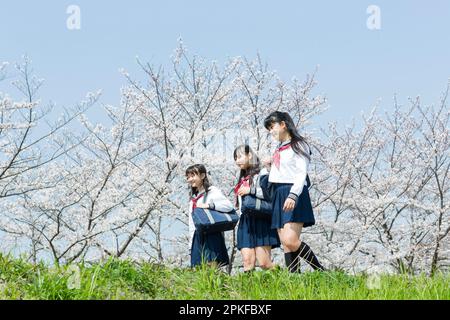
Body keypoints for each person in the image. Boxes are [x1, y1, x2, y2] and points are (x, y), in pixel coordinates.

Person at [263, 111, 325, 272]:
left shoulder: (298, 144)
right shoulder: (279, 148)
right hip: (278, 192)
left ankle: (321, 271)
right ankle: (294, 278)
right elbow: (280, 173)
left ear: (283, 124)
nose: (271, 131)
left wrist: (293, 194)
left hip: (292, 191)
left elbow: (300, 172)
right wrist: (269, 166)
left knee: (291, 240)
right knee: (286, 243)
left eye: (272, 127)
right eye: (268, 128)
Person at [233, 145, 280, 272]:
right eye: (235, 158)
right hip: (245, 221)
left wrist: (250, 190)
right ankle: (248, 291)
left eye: (239, 157)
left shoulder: (263, 172)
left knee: (265, 264)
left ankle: (284, 280)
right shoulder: (242, 179)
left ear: (250, 156)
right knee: (247, 262)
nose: (237, 161)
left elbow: (270, 194)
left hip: (261, 219)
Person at [186, 164, 234, 268]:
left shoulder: (212, 191)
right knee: (199, 270)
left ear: (202, 176)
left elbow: (228, 206)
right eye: (188, 177)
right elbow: (191, 224)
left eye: (193, 176)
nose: (190, 179)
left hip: (211, 234)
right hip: (197, 236)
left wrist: (208, 205)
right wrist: (191, 244)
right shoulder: (193, 199)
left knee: (212, 269)